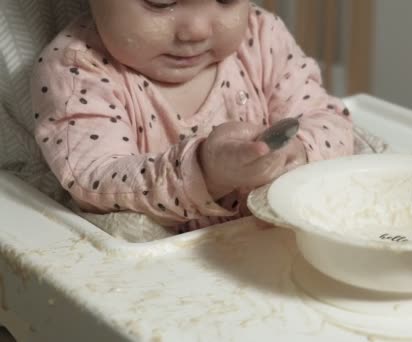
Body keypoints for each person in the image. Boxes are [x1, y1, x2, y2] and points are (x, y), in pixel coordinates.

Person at [31, 0, 354, 233]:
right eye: (161, 2)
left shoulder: (262, 37)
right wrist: (204, 170)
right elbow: (95, 180)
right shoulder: (76, 70)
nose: (197, 30)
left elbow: (327, 118)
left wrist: (302, 152)